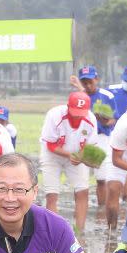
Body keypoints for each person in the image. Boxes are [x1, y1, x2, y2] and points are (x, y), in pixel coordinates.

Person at [39, 91, 97, 233]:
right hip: (52, 156)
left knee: (82, 191)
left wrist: (82, 157)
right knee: (52, 194)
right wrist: (71, 155)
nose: (77, 115)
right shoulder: (54, 115)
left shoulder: (91, 119)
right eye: (74, 111)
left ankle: (79, 232)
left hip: (76, 155)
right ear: (67, 106)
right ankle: (54, 233)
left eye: (81, 112)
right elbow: (51, 145)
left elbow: (89, 146)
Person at [73, 65, 117, 214]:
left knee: (101, 177)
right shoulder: (78, 97)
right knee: (81, 177)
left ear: (96, 79)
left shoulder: (107, 96)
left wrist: (105, 120)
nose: (88, 85)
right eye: (84, 82)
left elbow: (113, 120)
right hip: (83, 138)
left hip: (102, 138)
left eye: (90, 81)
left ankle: (101, 208)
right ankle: (80, 209)